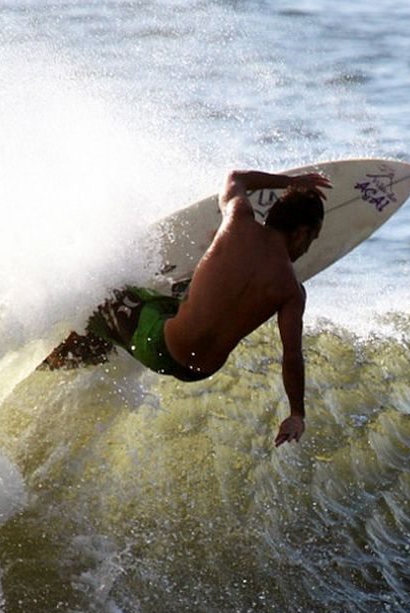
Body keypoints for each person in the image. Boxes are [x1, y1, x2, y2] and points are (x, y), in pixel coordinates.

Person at [41, 169, 331, 447]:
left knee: (102, 292)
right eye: (314, 239)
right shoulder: (292, 291)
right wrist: (297, 414)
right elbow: (292, 355)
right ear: (301, 233)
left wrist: (290, 181)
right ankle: (131, 325)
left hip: (162, 347)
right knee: (161, 307)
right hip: (198, 370)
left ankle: (55, 358)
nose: (308, 247)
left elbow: (235, 178)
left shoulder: (238, 222)